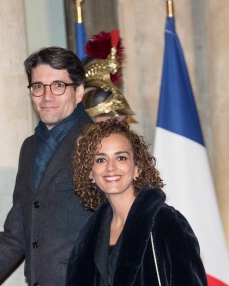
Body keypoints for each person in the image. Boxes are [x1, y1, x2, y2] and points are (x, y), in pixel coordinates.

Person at [0, 47, 93, 286]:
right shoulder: (29, 148)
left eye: (58, 85)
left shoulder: (100, 142)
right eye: (38, 86)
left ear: (78, 92)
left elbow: (123, 222)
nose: (47, 96)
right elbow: (14, 237)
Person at [65, 119, 208, 286]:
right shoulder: (89, 233)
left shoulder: (166, 222)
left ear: (137, 168)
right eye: (100, 160)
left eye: (121, 158)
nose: (111, 167)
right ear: (90, 172)